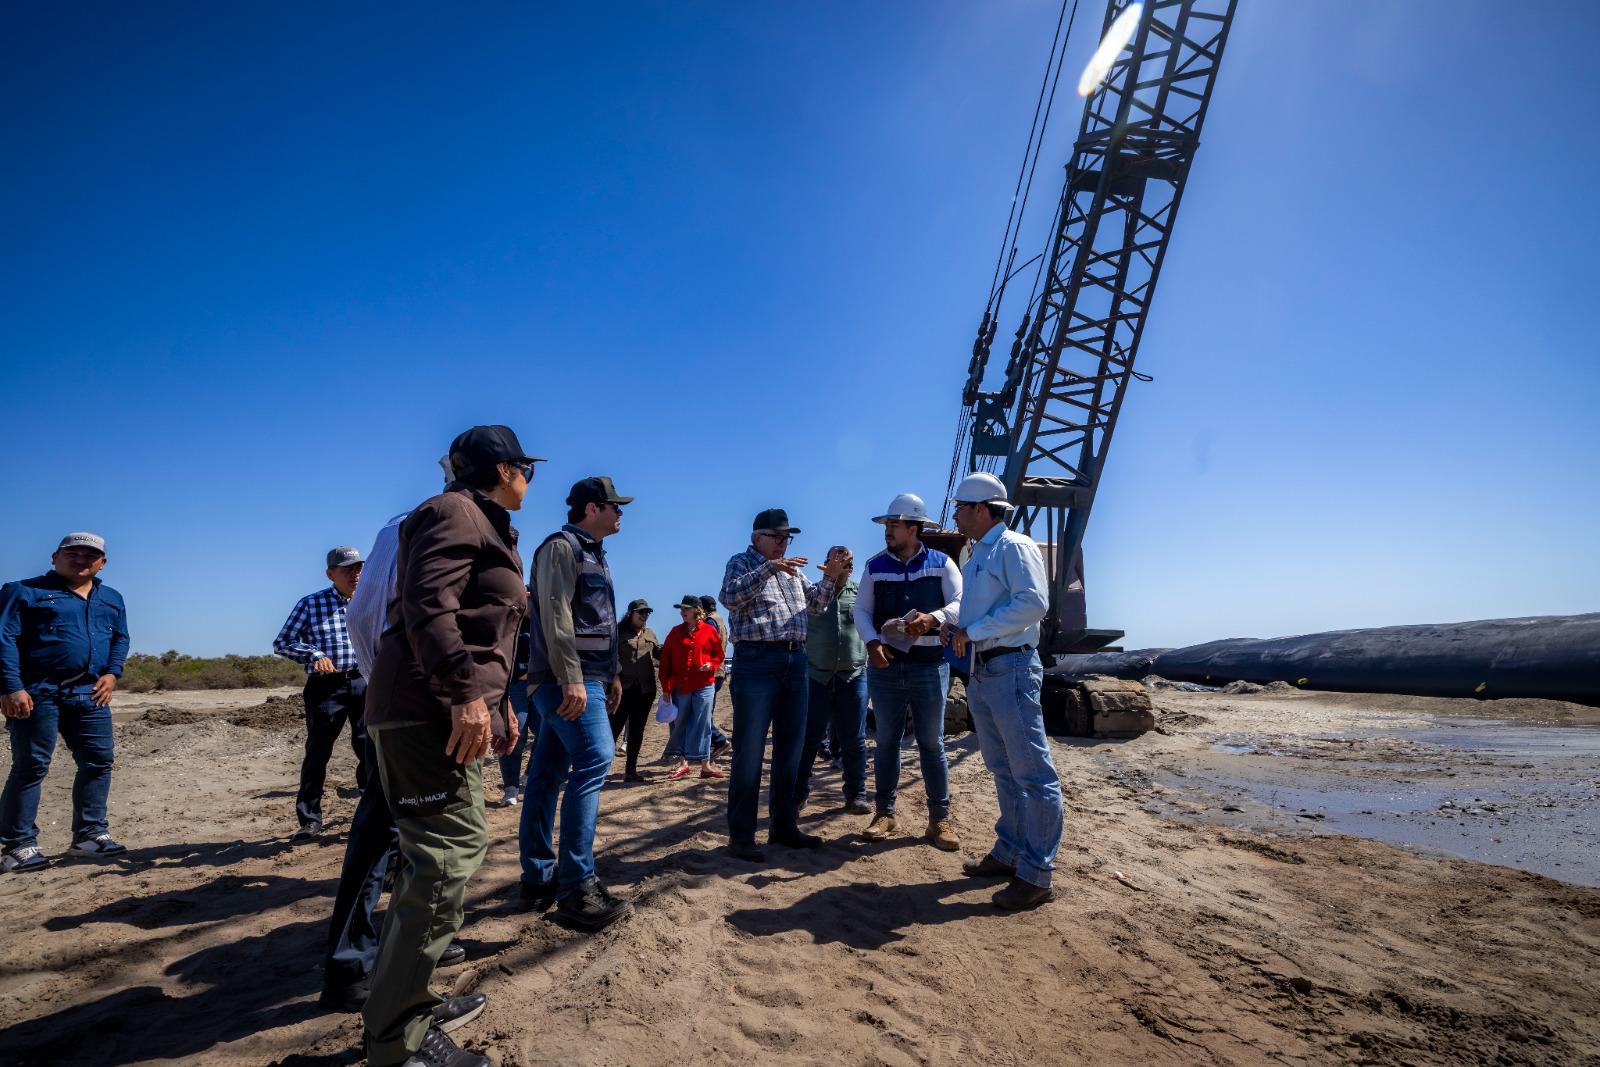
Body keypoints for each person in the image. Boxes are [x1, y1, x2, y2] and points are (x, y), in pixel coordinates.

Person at [360, 425, 535, 1067]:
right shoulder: (453, 512)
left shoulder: (482, 521)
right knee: (443, 859)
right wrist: (465, 693)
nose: (529, 480)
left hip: (449, 709)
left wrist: (499, 700)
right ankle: (397, 1041)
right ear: (503, 468)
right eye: (526, 468)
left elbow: (487, 627)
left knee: (433, 860)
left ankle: (409, 1001)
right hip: (425, 711)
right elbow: (429, 606)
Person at [318, 455, 481, 1013]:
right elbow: (368, 616)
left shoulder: (474, 523)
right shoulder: (410, 523)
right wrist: (379, 689)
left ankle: (401, 953)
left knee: (415, 835)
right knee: (388, 830)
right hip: (412, 708)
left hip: (429, 705)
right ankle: (356, 968)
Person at [519, 476, 634, 931]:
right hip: (568, 681)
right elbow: (555, 615)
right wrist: (573, 678)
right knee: (596, 758)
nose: (620, 513)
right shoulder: (562, 547)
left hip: (586, 679)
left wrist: (614, 673)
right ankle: (576, 887)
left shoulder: (593, 553)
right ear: (591, 508)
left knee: (546, 774)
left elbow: (596, 624)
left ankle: (539, 878)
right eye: (614, 506)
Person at [944, 472, 1061, 912]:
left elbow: (1033, 603)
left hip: (1010, 664)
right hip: (983, 669)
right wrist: (950, 625)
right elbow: (973, 609)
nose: (954, 514)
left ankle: (1037, 875)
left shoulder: (1014, 546)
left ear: (980, 508)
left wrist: (975, 630)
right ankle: (1009, 852)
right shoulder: (976, 555)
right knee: (1004, 769)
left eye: (959, 507)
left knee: (1033, 773)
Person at [718, 508, 851, 862]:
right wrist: (767, 570)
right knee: (749, 751)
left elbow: (818, 605)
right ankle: (742, 836)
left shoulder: (794, 570)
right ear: (757, 537)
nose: (783, 543)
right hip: (756, 662)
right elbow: (729, 598)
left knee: (791, 748)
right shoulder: (741, 563)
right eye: (777, 536)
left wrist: (833, 578)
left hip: (795, 661)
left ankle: (783, 825)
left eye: (787, 537)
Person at [0, 533, 129, 873]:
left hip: (90, 694)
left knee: (99, 761)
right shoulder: (23, 591)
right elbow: (3, 639)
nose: (81, 558)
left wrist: (113, 674)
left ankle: (89, 836)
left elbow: (120, 638)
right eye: (73, 552)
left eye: (91, 554)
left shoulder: (111, 598)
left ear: (102, 562)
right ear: (55, 556)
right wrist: (11, 687)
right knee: (31, 766)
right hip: (36, 693)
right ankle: (18, 847)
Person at [854, 492, 963, 851]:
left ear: (914, 528)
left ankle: (939, 820)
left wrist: (935, 618)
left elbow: (961, 604)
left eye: (894, 524)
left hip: (930, 667)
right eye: (887, 524)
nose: (888, 529)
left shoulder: (943, 563)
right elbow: (862, 612)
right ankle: (885, 814)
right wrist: (872, 644)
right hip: (886, 668)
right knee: (886, 742)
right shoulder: (874, 567)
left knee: (932, 744)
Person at [274, 546, 369, 842]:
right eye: (347, 569)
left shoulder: (371, 601)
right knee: (318, 751)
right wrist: (313, 654)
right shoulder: (311, 604)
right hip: (326, 686)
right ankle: (310, 819)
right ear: (331, 574)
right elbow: (283, 641)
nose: (355, 574)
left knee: (370, 748)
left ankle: (371, 810)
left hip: (365, 682)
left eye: (358, 568)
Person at [796, 575, 868, 816]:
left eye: (846, 563)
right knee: (809, 738)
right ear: (827, 565)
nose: (842, 567)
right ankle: (798, 794)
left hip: (853, 676)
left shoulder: (861, 593)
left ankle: (856, 794)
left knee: (854, 740)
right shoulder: (813, 593)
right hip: (817, 676)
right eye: (836, 561)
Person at [658, 595, 725, 782]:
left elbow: (719, 655)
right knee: (679, 722)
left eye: (686, 609)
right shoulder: (674, 632)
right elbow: (665, 662)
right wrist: (665, 688)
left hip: (704, 684)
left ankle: (706, 766)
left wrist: (710, 665)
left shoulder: (710, 631)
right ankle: (682, 764)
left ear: (697, 610)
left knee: (703, 722)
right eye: (681, 609)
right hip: (680, 686)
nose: (682, 612)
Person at [611, 599, 659, 782]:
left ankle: (630, 771)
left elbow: (659, 655)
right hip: (622, 691)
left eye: (647, 612)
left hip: (645, 691)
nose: (644, 615)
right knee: (613, 730)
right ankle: (599, 771)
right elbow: (610, 659)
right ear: (631, 613)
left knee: (637, 731)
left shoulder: (650, 634)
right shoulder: (618, 633)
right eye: (641, 612)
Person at [490, 626, 533, 807]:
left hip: (541, 684)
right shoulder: (511, 617)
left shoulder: (544, 616)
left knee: (552, 731)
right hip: (514, 687)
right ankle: (511, 787)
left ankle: (531, 773)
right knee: (516, 732)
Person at [699, 595, 732, 760]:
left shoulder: (709, 622)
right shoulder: (719, 620)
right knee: (707, 712)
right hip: (719, 670)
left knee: (702, 713)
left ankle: (718, 741)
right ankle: (711, 745)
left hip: (711, 671)